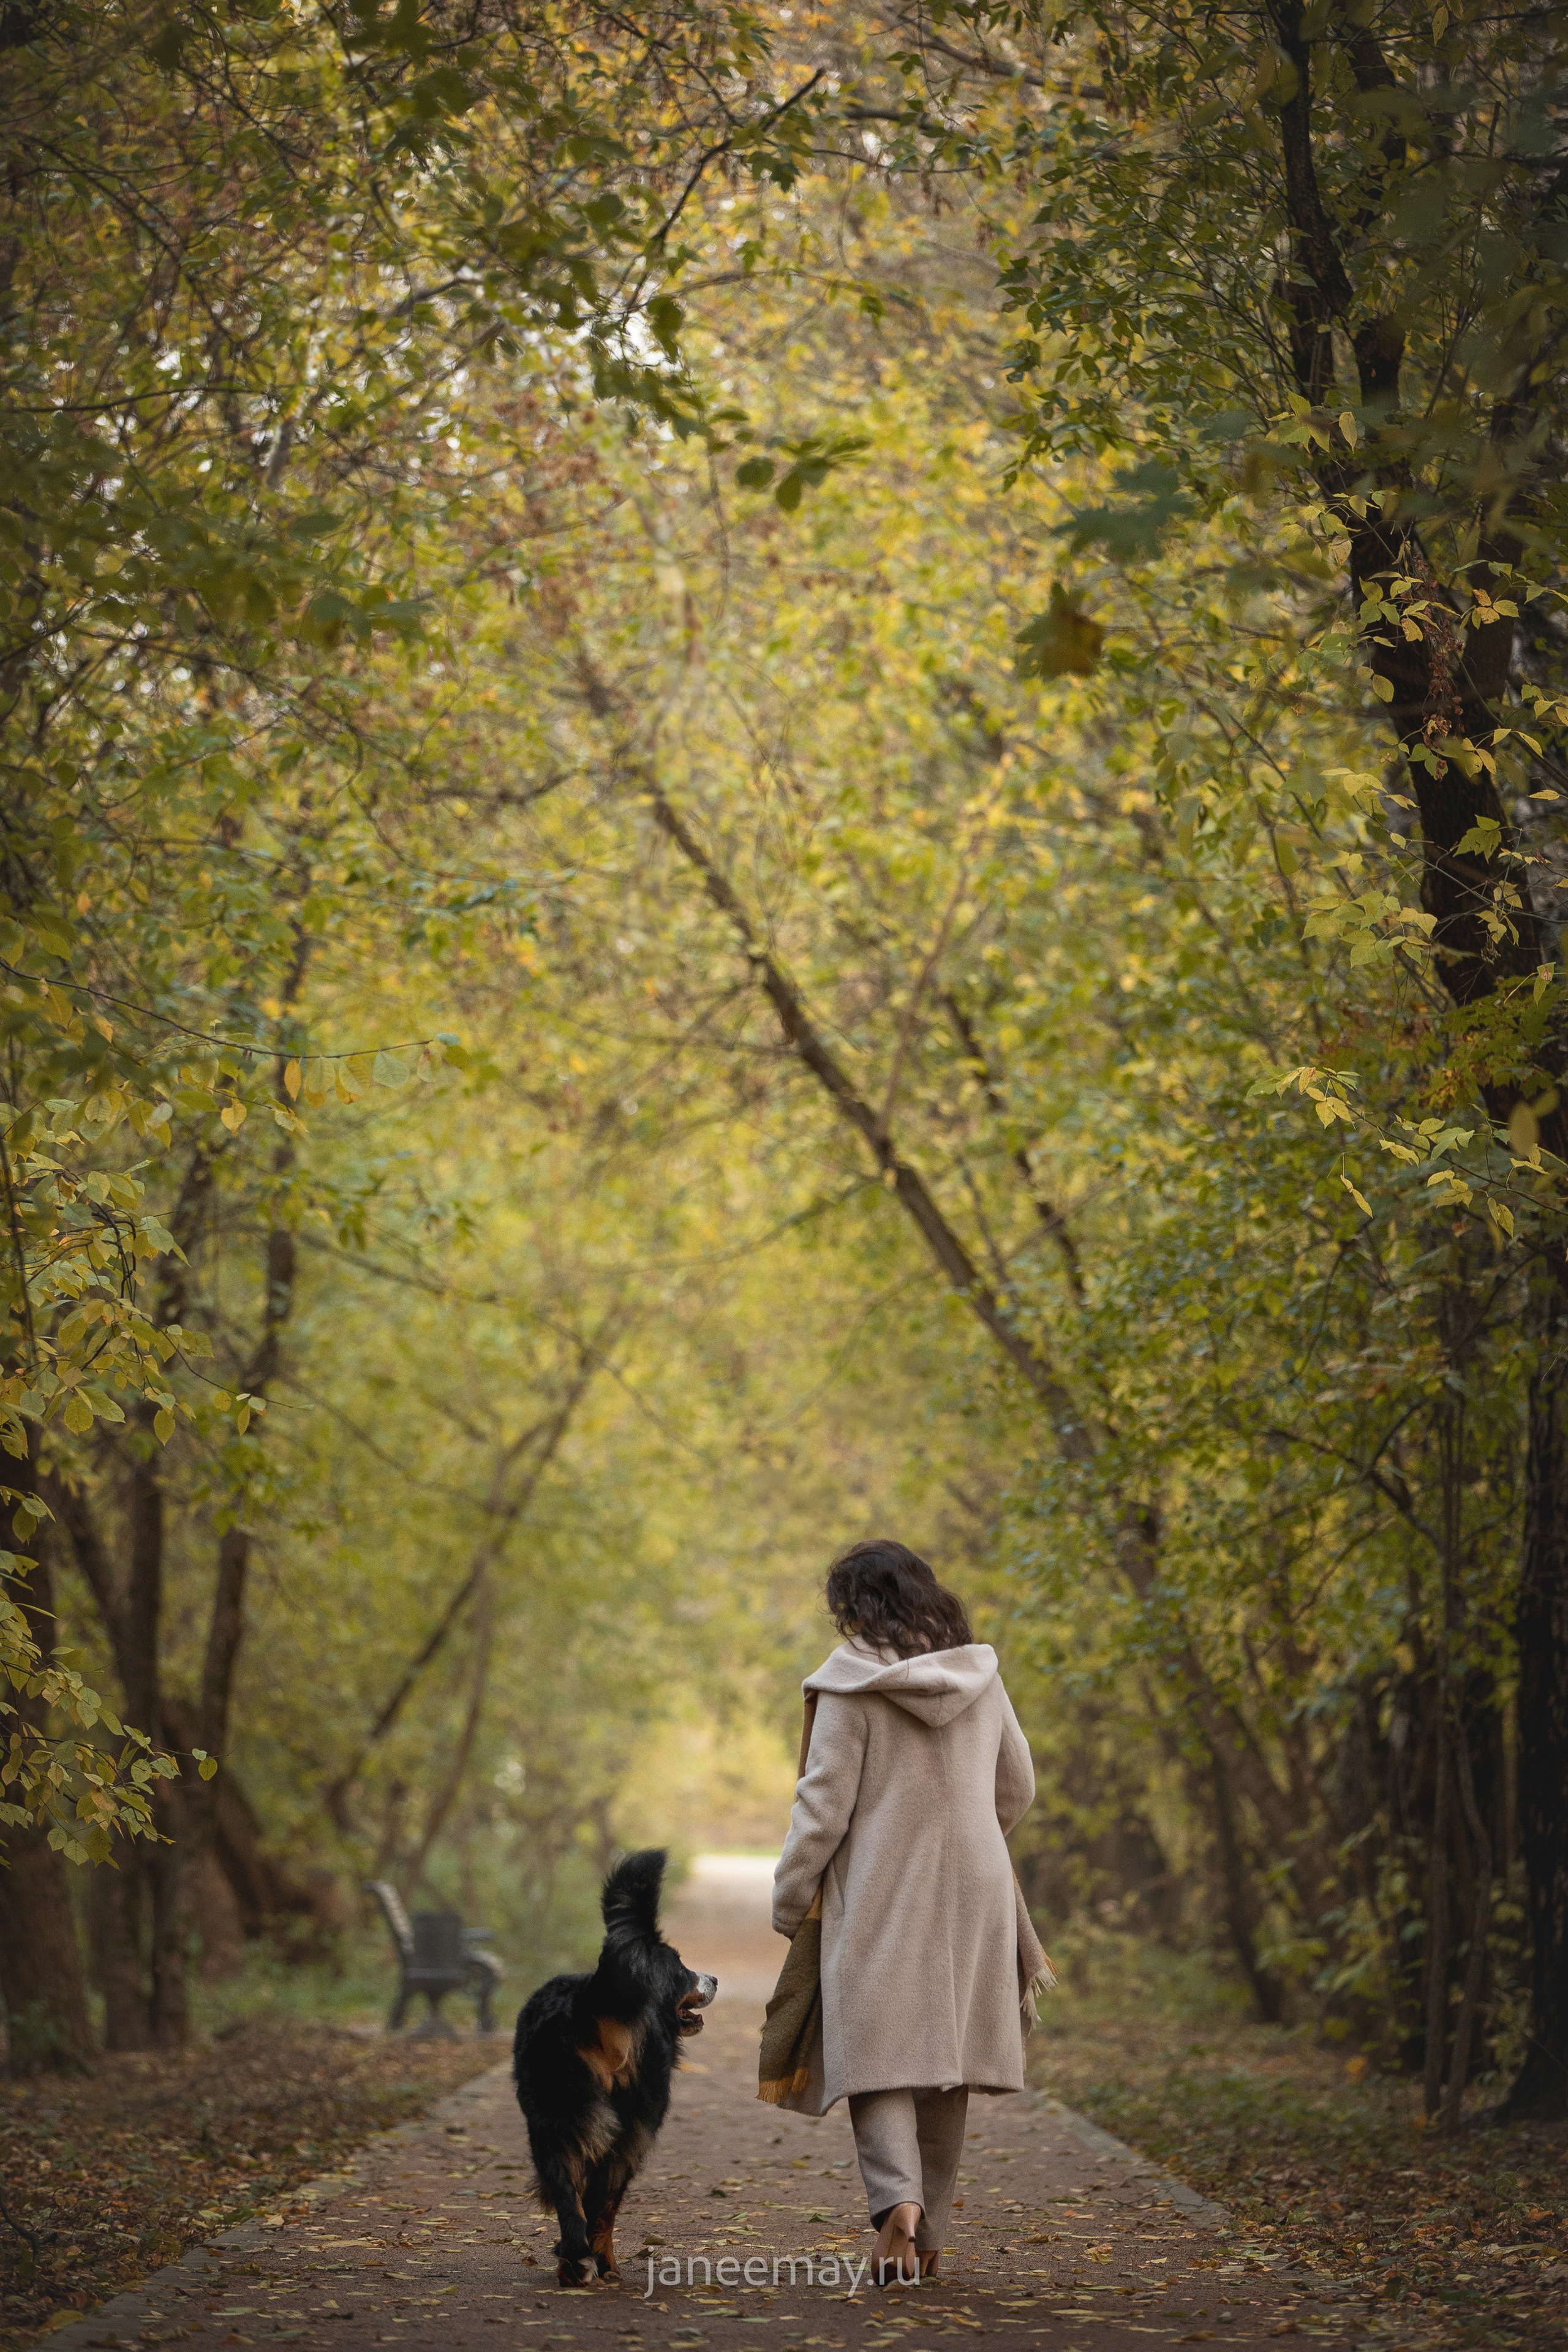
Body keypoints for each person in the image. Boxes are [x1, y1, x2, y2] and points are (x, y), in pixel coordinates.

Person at [771, 1538, 1036, 2287]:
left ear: (852, 1605)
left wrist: (792, 1898)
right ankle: (930, 2239)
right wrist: (973, 1843)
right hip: (977, 1889)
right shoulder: (980, 1676)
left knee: (875, 2053)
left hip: (885, 1886)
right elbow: (1018, 1786)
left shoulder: (852, 1685)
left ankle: (897, 2204)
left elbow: (821, 1809)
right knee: (944, 2064)